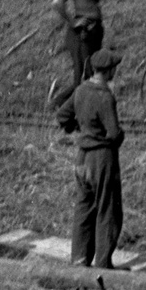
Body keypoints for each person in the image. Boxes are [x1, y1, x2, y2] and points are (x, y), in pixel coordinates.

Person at [57, 47, 125, 270]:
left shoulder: (81, 90)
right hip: (100, 159)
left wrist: (79, 128)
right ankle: (103, 265)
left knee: (83, 209)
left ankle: (79, 261)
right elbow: (113, 133)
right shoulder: (105, 97)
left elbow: (62, 116)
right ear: (109, 70)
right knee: (108, 210)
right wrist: (116, 136)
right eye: (114, 67)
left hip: (81, 159)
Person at [47, 0, 104, 112]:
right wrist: (73, 22)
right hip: (80, 34)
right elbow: (57, 2)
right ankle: (69, 110)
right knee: (83, 75)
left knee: (88, 74)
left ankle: (60, 105)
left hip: (93, 32)